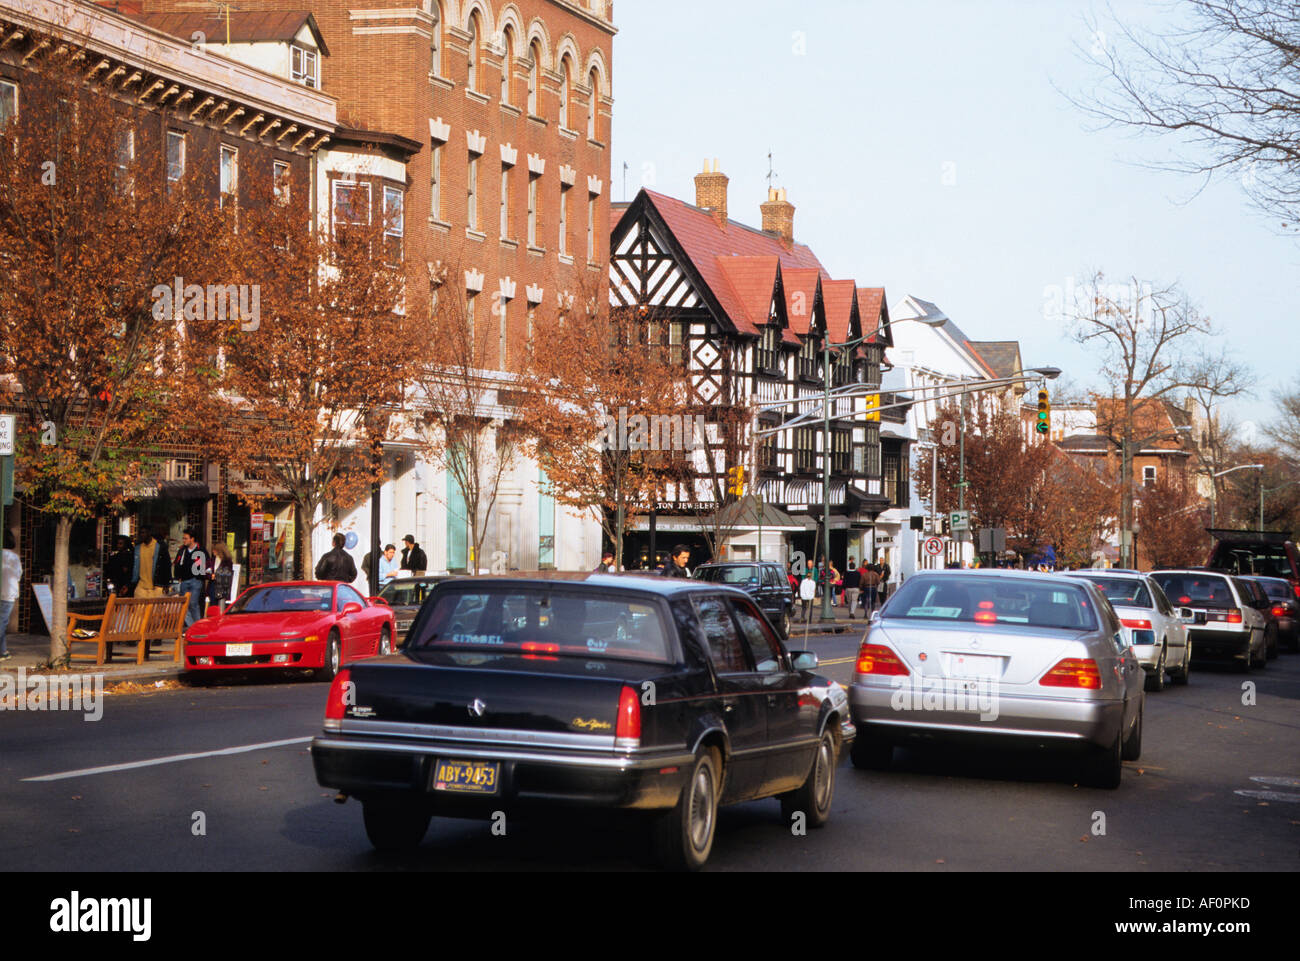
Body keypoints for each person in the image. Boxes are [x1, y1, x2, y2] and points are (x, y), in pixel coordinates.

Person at [173, 528, 210, 629]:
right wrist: (178, 576)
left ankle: (199, 626)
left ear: (192, 539)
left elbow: (206, 565)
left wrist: (201, 576)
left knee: (193, 603)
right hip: (184, 580)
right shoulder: (182, 550)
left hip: (196, 580)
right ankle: (192, 627)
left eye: (186, 538)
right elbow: (177, 563)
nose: (184, 540)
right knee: (184, 605)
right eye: (183, 538)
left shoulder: (201, 550)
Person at [0, 530, 21, 661]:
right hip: (8, 593)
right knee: (2, 622)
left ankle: (3, 651)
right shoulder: (14, 557)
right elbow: (18, 575)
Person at [133, 529, 170, 599]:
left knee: (156, 609)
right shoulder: (138, 547)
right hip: (141, 586)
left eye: (143, 532)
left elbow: (166, 565)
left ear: (149, 533)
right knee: (139, 609)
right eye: (140, 533)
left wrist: (166, 584)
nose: (141, 535)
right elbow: (135, 566)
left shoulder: (160, 546)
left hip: (156, 586)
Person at [208, 543, 236, 610]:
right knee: (213, 605)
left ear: (219, 550)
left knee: (221, 607)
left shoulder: (227, 561)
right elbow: (207, 569)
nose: (213, 551)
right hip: (213, 584)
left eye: (214, 550)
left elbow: (228, 573)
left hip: (222, 586)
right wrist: (210, 575)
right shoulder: (213, 559)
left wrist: (217, 575)